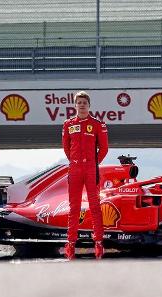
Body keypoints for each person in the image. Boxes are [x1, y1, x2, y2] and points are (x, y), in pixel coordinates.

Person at [62, 91, 109, 260]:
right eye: (79, 102)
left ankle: (98, 242)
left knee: (95, 206)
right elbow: (66, 147)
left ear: (89, 105)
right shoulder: (68, 124)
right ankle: (71, 244)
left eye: (84, 102)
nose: (82, 105)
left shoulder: (97, 124)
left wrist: (93, 162)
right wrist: (75, 161)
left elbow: (103, 148)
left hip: (91, 168)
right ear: (75, 105)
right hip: (74, 169)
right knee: (73, 207)